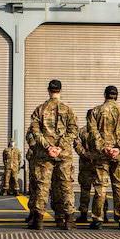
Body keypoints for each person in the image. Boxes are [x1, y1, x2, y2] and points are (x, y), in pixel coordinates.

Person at [27, 79, 78, 230]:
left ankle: (39, 220)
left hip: (45, 154)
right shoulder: (68, 110)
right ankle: (68, 220)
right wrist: (60, 147)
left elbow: (35, 132)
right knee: (66, 186)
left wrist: (48, 146)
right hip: (63, 154)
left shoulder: (40, 109)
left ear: (49, 90)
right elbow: (73, 131)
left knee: (42, 186)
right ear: (60, 90)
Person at [87, 85, 120, 230]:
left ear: (105, 95)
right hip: (119, 155)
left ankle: (98, 219)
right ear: (116, 96)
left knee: (100, 187)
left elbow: (92, 133)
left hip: (102, 155)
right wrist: (118, 148)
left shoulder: (95, 111)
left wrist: (104, 147)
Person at [74, 123, 94, 223]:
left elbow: (77, 145)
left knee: (85, 190)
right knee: (100, 190)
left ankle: (83, 214)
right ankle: (102, 214)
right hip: (98, 164)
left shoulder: (81, 131)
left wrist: (85, 154)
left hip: (85, 164)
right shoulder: (100, 131)